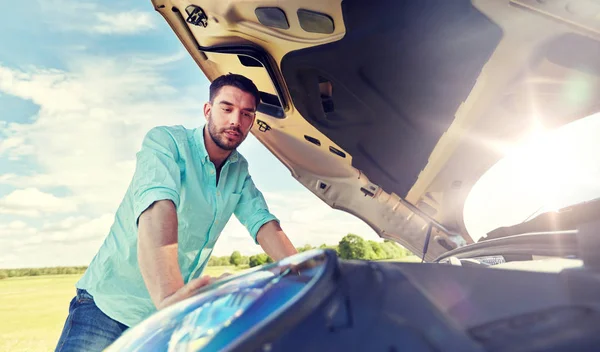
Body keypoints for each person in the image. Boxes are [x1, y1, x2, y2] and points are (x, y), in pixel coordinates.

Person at [54, 73, 298, 352]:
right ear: (208, 110)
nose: (235, 121)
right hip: (108, 307)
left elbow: (262, 221)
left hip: (163, 320)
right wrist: (169, 296)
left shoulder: (239, 170)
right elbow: (159, 205)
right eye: (227, 108)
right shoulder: (166, 142)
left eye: (246, 113)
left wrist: (304, 270)